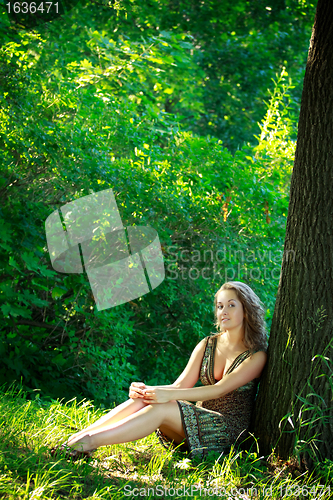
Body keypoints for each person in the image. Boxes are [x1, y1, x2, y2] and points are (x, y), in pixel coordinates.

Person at [53, 281, 267, 460]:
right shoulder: (208, 344)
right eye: (220, 306)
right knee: (147, 398)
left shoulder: (256, 356)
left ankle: (89, 443)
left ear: (246, 311)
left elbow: (219, 390)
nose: (223, 312)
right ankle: (80, 437)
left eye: (231, 305)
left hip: (227, 431)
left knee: (161, 406)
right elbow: (180, 386)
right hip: (194, 425)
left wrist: (166, 395)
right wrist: (148, 390)